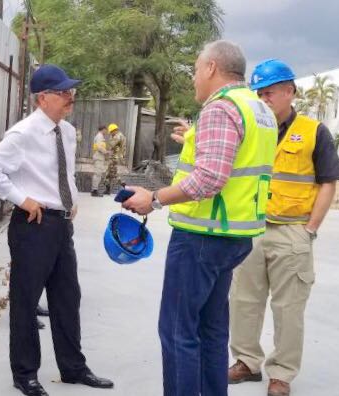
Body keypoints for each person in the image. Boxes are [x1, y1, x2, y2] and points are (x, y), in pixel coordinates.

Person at [122, 40, 278, 396]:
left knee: (178, 330)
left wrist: (154, 199)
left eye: (195, 69)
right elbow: (240, 161)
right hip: (234, 235)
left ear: (211, 68)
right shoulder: (259, 108)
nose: (194, 78)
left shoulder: (221, 108)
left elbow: (209, 178)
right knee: (211, 328)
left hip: (202, 235)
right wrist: (194, 137)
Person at [0, 64, 114, 396]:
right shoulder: (23, 134)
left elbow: (60, 172)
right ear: (43, 98)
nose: (71, 99)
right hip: (33, 226)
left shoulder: (65, 131)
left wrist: (70, 200)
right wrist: (21, 199)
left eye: (72, 92)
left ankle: (73, 367)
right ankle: (25, 374)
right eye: (64, 93)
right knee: (25, 301)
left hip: (60, 225)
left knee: (68, 297)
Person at [227, 59, 339, 396]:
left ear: (290, 91)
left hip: (292, 230)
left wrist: (310, 230)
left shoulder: (313, 132)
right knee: (243, 301)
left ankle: (281, 374)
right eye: (259, 94)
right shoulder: (250, 129)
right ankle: (247, 362)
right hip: (250, 228)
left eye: (270, 93)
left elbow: (328, 183)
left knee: (289, 308)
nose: (264, 99)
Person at [104, 123, 126, 194]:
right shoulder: (120, 135)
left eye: (111, 132)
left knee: (113, 173)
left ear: (114, 130)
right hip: (115, 157)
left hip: (114, 157)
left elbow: (111, 144)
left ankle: (123, 184)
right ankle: (107, 189)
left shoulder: (117, 136)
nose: (110, 133)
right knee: (109, 173)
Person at [91, 125, 108, 197]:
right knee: (97, 174)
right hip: (98, 157)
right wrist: (106, 152)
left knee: (99, 174)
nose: (106, 132)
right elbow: (99, 147)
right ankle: (94, 190)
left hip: (100, 157)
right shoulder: (99, 136)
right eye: (106, 130)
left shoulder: (100, 136)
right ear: (103, 129)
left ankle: (95, 189)